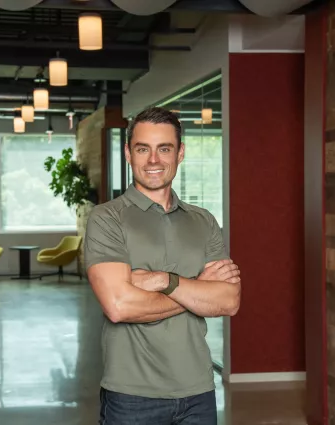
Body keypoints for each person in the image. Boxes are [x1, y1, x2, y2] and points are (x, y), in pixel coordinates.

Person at [84, 106, 241, 425]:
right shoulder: (108, 218)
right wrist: (197, 288)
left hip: (199, 391)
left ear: (180, 153)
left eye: (164, 148)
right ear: (128, 153)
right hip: (132, 396)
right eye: (143, 149)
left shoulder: (203, 220)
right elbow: (119, 307)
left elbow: (228, 301)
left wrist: (164, 280)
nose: (153, 160)